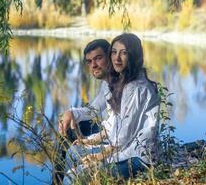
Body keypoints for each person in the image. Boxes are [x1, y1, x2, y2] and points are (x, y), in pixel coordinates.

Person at [63, 33, 161, 185]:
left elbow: (122, 136)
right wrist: (89, 140)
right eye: (114, 52)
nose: (117, 58)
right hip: (125, 148)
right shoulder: (123, 82)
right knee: (72, 152)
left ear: (133, 56)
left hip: (137, 157)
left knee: (76, 174)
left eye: (124, 53)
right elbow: (112, 123)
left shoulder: (136, 88)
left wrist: (98, 156)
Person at [55, 39, 110, 183]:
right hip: (110, 132)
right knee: (69, 127)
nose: (93, 65)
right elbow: (94, 110)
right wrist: (70, 112)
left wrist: (91, 141)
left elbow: (123, 133)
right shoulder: (108, 83)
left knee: (75, 139)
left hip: (117, 141)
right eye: (89, 61)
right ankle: (57, 181)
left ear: (110, 56)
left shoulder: (123, 84)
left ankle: (67, 178)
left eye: (98, 58)